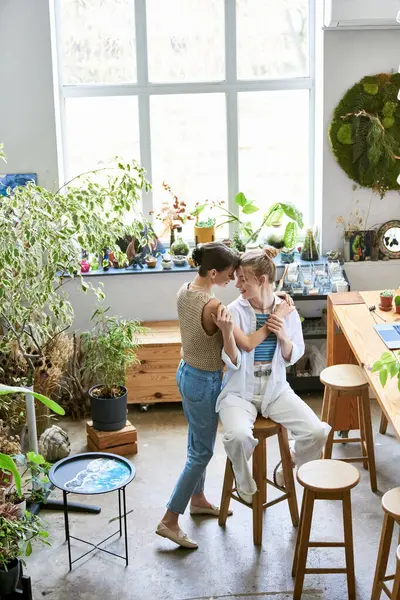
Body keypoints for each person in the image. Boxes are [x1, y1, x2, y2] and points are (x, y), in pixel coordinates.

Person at [156, 242, 292, 549]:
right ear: (214, 272)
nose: (234, 280)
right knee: (201, 453)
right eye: (230, 274)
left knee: (196, 441)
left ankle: (198, 499)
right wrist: (273, 324)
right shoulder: (215, 308)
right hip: (204, 381)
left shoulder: (186, 290)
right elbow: (245, 344)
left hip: (186, 372)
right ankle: (169, 520)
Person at [216, 248, 331, 505]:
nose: (237, 284)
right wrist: (228, 335)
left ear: (262, 280)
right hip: (239, 392)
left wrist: (283, 338)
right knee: (238, 437)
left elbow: (293, 354)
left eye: (243, 278)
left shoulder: (286, 309)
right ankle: (242, 476)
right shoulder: (234, 310)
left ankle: (287, 463)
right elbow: (233, 359)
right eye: (236, 278)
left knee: (316, 432)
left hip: (275, 389)